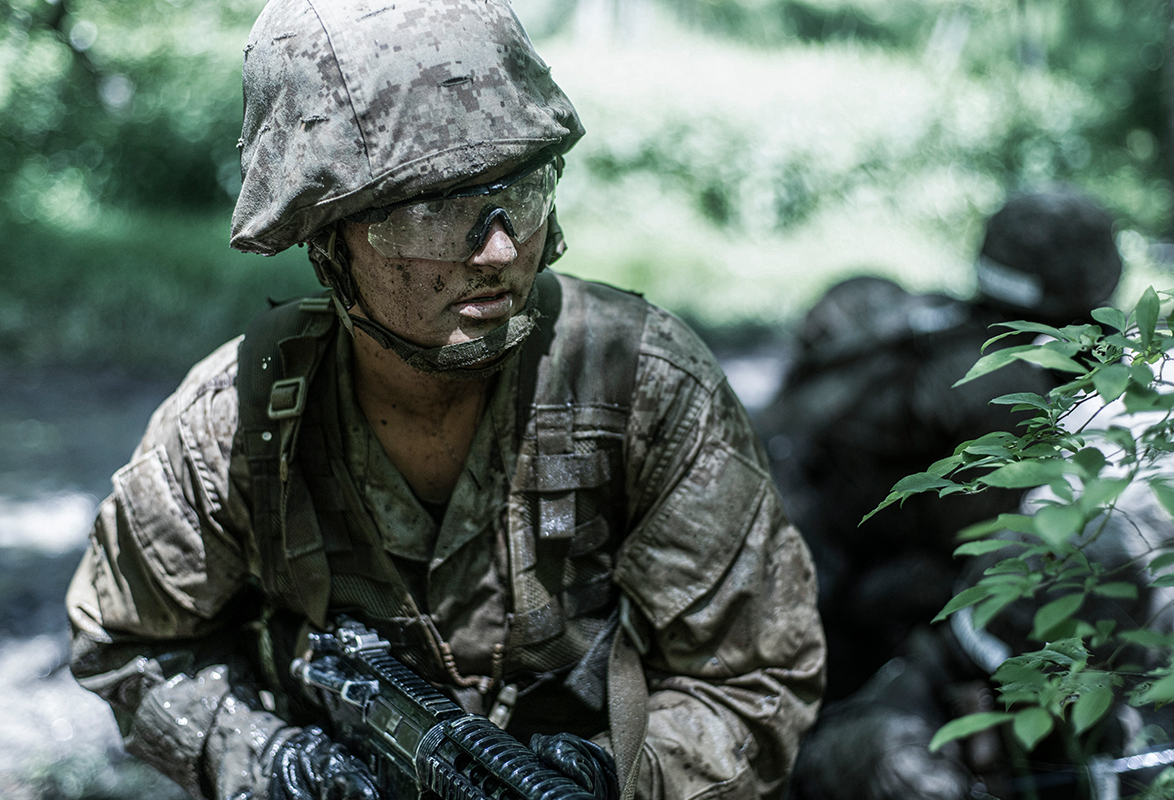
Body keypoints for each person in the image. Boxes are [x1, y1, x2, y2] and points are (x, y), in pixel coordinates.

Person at [63, 2, 825, 800]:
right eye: (435, 211)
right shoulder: (233, 424)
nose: (498, 250)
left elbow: (755, 675)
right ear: (330, 241)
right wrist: (273, 761)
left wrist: (618, 777)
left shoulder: (641, 386)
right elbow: (127, 644)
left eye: (519, 193)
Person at [752, 187, 1123, 701]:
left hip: (803, 543)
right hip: (831, 595)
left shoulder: (937, 318)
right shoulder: (1002, 386)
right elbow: (982, 546)